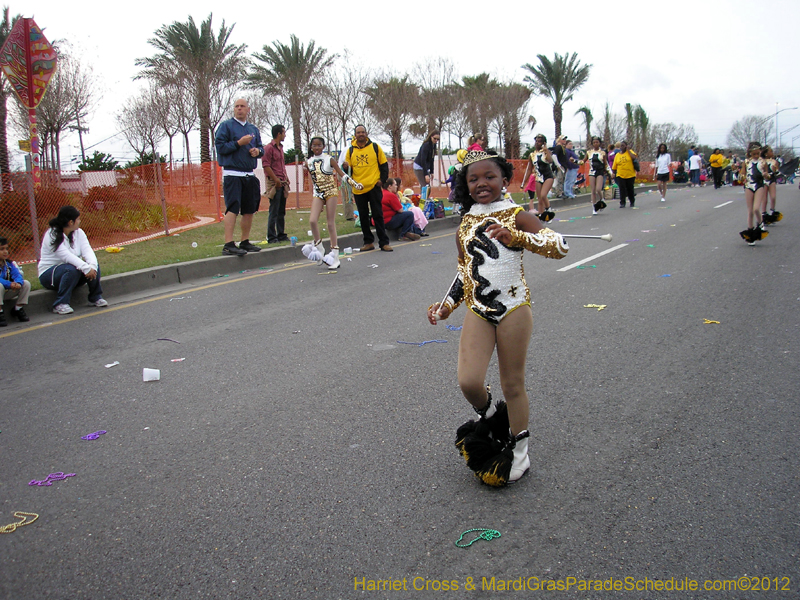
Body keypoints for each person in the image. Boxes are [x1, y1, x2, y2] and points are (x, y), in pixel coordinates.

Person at [426, 150, 569, 487]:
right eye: (473, 179)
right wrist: (446, 305)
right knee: (469, 381)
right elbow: (465, 272)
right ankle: (492, 417)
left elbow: (558, 246)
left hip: (514, 308)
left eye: (489, 176)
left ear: (504, 179)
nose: (481, 183)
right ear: (466, 185)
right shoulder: (465, 223)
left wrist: (516, 237)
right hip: (479, 309)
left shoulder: (516, 214)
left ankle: (520, 452)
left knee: (512, 383)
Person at [302, 136, 363, 270]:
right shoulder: (309, 162)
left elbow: (342, 174)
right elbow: (313, 180)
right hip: (318, 194)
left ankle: (335, 255)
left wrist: (354, 184)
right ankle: (319, 250)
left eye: (319, 145)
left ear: (323, 147)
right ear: (311, 147)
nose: (316, 148)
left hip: (331, 193)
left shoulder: (329, 159)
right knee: (312, 221)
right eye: (314, 145)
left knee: (330, 223)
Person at [215, 98, 264, 256]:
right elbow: (220, 147)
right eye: (237, 107)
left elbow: (261, 148)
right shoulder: (226, 126)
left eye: (242, 106)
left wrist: (258, 152)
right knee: (233, 208)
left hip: (249, 173)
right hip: (233, 174)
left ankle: (245, 241)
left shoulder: (253, 129)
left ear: (248, 109)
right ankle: (229, 243)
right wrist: (238, 143)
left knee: (249, 209)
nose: (239, 109)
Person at [37, 206, 108, 315]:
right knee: (71, 269)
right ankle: (60, 303)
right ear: (71, 222)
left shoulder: (79, 233)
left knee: (93, 264)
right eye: (78, 219)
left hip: (72, 273)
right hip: (49, 275)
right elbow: (66, 256)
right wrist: (85, 268)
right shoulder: (52, 235)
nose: (79, 221)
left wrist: (92, 266)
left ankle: (95, 297)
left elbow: (87, 250)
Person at [341, 125, 392, 252]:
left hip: (374, 187)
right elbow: (348, 171)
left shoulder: (375, 147)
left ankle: (384, 242)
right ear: (355, 135)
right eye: (358, 132)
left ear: (366, 133)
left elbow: (384, 165)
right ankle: (368, 242)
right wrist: (346, 167)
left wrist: (382, 181)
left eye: (363, 132)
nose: (361, 134)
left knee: (377, 215)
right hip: (358, 188)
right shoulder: (351, 151)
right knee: (363, 216)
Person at [263, 124, 290, 244]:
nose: (285, 135)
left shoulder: (281, 148)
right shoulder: (268, 148)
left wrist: (285, 179)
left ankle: (281, 234)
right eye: (283, 132)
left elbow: (281, 166)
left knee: (281, 210)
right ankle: (271, 236)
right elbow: (266, 166)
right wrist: (276, 180)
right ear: (279, 134)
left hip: (282, 181)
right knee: (273, 210)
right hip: (274, 183)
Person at [738, 142, 769, 245]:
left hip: (759, 185)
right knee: (750, 211)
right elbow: (742, 173)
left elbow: (768, 175)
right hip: (749, 186)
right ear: (750, 153)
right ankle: (750, 232)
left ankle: (760, 223)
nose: (756, 156)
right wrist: (741, 177)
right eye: (754, 154)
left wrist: (765, 175)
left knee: (756, 208)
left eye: (757, 154)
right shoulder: (746, 162)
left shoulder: (763, 162)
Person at [519, 134, 556, 220]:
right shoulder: (532, 155)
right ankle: (541, 216)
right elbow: (529, 169)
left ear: (543, 143)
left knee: (543, 195)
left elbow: (550, 161)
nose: (537, 143)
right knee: (539, 199)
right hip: (538, 177)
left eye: (539, 142)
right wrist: (524, 182)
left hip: (548, 176)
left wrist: (546, 150)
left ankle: (548, 209)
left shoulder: (546, 152)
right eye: (536, 141)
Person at [0, 236, 30, 325]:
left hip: (5, 292)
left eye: (6, 249)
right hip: (2, 288)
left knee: (26, 284)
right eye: (2, 249)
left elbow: (17, 274)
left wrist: (18, 283)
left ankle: (18, 308)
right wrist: (10, 284)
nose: (5, 251)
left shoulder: (8, 263)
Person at [584, 137, 609, 214]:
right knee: (593, 190)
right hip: (592, 172)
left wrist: (611, 173)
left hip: (600, 172)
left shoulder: (602, 153)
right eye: (594, 142)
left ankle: (602, 199)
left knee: (598, 189)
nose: (595, 144)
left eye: (597, 142)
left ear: (599, 143)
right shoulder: (589, 152)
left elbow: (606, 164)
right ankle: (594, 207)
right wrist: (574, 161)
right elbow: (583, 161)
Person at [611, 141, 638, 208]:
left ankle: (632, 201)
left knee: (630, 189)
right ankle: (622, 202)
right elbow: (615, 165)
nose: (622, 147)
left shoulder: (630, 152)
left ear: (626, 146)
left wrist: (628, 150)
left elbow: (634, 157)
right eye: (621, 146)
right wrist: (613, 173)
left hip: (630, 174)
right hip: (620, 174)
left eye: (623, 146)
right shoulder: (617, 155)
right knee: (622, 189)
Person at [761, 145, 783, 224]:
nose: (772, 153)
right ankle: (764, 214)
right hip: (764, 181)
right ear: (766, 153)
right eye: (770, 151)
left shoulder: (774, 161)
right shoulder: (762, 161)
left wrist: (775, 169)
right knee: (764, 199)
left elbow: (777, 172)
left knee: (773, 197)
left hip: (772, 180)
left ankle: (772, 212)